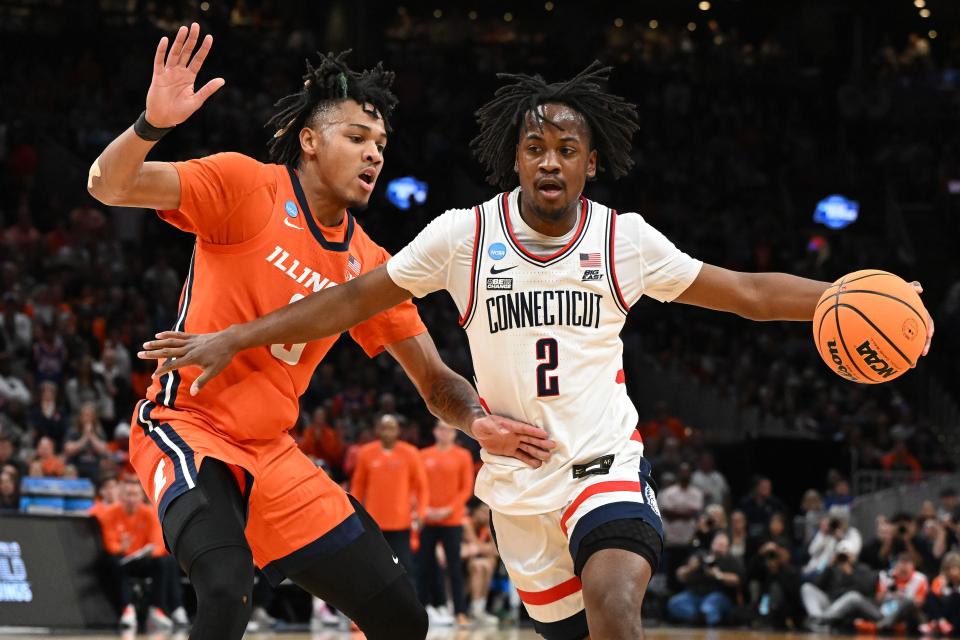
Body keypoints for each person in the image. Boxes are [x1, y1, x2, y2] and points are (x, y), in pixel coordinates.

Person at [138, 62, 933, 639]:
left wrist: (836, 297)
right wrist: (234, 337)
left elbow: (747, 293)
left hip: (603, 463)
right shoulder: (461, 236)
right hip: (517, 486)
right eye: (535, 147)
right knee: (568, 631)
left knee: (617, 609)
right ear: (513, 158)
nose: (549, 160)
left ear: (592, 161)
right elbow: (346, 301)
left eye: (567, 148)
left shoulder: (625, 241)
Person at [89, 24, 550, 640]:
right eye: (357, 137)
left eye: (381, 143)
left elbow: (435, 380)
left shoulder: (372, 267)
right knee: (225, 590)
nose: (375, 154)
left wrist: (475, 421)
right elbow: (107, 184)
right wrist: (151, 125)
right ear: (307, 141)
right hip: (186, 429)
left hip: (272, 453)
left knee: (403, 620)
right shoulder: (244, 185)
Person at [351, 413, 429, 576]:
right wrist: (354, 514)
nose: (387, 432)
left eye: (391, 428)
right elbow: (358, 487)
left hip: (401, 522)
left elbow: (422, 487)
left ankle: (408, 601)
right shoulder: (366, 453)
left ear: (398, 431)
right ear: (377, 430)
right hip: (374, 522)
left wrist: (421, 513)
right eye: (384, 428)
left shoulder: (411, 453)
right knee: (374, 566)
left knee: (404, 566)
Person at [418, 419, 475, 626]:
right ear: (435, 432)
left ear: (454, 433)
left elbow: (466, 488)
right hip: (428, 518)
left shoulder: (463, 455)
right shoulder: (423, 455)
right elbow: (417, 486)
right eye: (441, 428)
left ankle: (461, 612)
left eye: (448, 429)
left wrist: (449, 509)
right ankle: (421, 610)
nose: (444, 433)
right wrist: (425, 510)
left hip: (452, 519)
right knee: (423, 566)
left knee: (454, 567)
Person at [100, 477, 174, 631]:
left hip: (143, 559)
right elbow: (110, 544)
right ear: (121, 496)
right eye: (128, 494)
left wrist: (150, 552)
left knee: (163, 562)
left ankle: (156, 608)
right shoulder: (110, 514)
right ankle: (128, 609)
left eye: (135, 495)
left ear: (141, 497)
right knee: (115, 561)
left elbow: (158, 544)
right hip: (123, 560)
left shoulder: (150, 514)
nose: (131, 499)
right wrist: (122, 548)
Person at [667, 531, 743, 626]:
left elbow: (737, 580)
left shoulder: (731, 560)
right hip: (694, 595)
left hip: (718, 595)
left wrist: (717, 575)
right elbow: (679, 575)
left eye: (722, 545)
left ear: (728, 548)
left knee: (710, 605)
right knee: (674, 603)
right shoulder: (700, 556)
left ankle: (706, 621)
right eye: (717, 544)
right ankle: (699, 618)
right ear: (712, 543)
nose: (719, 547)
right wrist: (691, 568)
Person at [800, 539, 877, 632]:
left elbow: (864, 590)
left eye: (847, 555)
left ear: (854, 555)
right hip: (830, 602)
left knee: (853, 596)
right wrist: (828, 566)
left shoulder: (862, 568)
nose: (844, 558)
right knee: (806, 587)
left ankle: (818, 621)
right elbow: (817, 585)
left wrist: (850, 573)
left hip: (845, 605)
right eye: (841, 555)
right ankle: (818, 618)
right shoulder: (833, 568)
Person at [853, 553, 930, 634]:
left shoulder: (920, 579)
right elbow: (878, 600)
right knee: (855, 597)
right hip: (884, 612)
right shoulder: (886, 576)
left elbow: (919, 603)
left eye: (906, 571)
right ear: (896, 567)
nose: (903, 572)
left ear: (912, 568)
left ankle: (881, 625)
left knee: (908, 602)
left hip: (906, 617)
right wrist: (887, 589)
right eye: (901, 570)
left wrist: (900, 596)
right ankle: (884, 624)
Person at [461, 500, 500, 626]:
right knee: (479, 565)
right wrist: (485, 548)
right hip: (460, 563)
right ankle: (475, 609)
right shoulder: (467, 523)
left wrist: (489, 531)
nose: (485, 516)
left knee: (488, 564)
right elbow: (476, 546)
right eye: (482, 512)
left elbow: (496, 551)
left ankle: (479, 607)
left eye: (487, 513)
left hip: (477, 560)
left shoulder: (486, 527)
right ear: (475, 511)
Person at [920, 551, 960, 636]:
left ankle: (938, 623)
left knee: (956, 596)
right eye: (948, 568)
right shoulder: (940, 580)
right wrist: (943, 587)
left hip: (956, 618)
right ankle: (940, 622)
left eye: (955, 567)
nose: (952, 571)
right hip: (943, 615)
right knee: (930, 595)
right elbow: (933, 599)